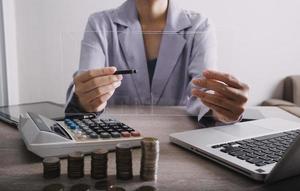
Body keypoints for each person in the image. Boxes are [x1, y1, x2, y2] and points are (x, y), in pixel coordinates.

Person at [65, 0, 249, 124]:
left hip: (181, 144)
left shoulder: (200, 26)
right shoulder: (100, 23)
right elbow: (85, 84)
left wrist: (221, 109)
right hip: (114, 141)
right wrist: (86, 101)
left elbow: (203, 95)